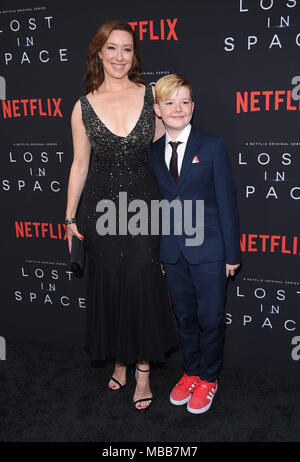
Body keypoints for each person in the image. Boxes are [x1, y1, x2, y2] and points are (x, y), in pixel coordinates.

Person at [65, 21, 177, 411]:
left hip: (143, 207)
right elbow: (80, 166)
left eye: (126, 49)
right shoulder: (83, 106)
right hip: (100, 210)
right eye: (111, 48)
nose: (118, 57)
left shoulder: (152, 97)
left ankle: (143, 371)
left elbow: (169, 147)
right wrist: (69, 219)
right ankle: (119, 362)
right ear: (99, 53)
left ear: (134, 55)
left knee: (141, 283)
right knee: (111, 283)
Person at [150, 74, 241, 414]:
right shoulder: (154, 152)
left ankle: (209, 378)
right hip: (173, 253)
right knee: (184, 317)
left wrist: (232, 253)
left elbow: (227, 202)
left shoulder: (212, 145)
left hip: (211, 250)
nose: (178, 108)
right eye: (170, 102)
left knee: (212, 318)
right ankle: (190, 372)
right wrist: (161, 250)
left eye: (185, 101)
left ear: (193, 107)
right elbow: (159, 204)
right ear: (158, 109)